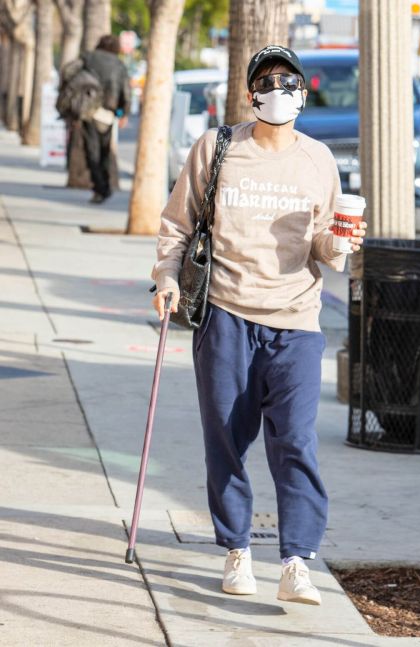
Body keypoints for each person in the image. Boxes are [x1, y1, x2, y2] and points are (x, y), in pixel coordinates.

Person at [151, 44, 367, 605]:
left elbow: (323, 242)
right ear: (252, 94)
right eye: (268, 80)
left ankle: (297, 560)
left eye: (290, 81)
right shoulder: (217, 147)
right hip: (225, 312)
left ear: (303, 92)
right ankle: (236, 549)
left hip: (296, 319)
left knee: (294, 440)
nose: (280, 89)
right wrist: (167, 278)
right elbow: (177, 225)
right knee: (225, 438)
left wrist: (339, 242)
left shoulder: (318, 159)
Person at [80, 35, 130, 204]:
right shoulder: (119, 64)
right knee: (104, 152)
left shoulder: (88, 58)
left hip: (89, 110)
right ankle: (104, 187)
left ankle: (101, 189)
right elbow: (126, 91)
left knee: (92, 152)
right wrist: (124, 113)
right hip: (109, 113)